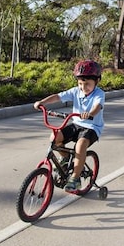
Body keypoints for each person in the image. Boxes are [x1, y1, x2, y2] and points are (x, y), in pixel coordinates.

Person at [34, 59, 105, 193]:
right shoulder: (75, 91)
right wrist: (41, 102)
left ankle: (75, 178)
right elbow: (57, 97)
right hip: (76, 124)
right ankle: (66, 158)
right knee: (54, 137)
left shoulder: (99, 94)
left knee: (80, 145)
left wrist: (90, 113)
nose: (83, 87)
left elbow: (98, 106)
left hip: (91, 127)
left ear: (97, 81)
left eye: (88, 84)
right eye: (80, 83)